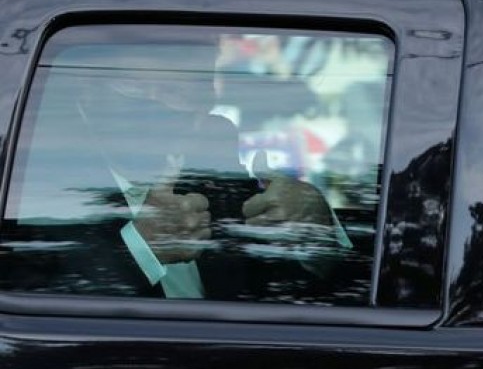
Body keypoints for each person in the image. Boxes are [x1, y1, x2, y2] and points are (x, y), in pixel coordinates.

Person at [1, 27, 352, 301]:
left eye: (197, 92)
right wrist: (140, 251)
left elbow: (292, 297)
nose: (183, 115)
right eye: (153, 94)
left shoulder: (212, 159)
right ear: (86, 89)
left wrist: (317, 233)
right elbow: (25, 309)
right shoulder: (30, 172)